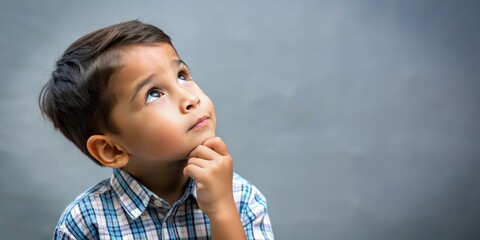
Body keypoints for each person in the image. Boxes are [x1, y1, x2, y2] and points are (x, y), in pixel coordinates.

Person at [39, 20, 274, 239]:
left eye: (182, 75)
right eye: (153, 94)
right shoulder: (85, 224)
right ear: (111, 149)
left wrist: (222, 210)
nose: (189, 98)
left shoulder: (241, 198)